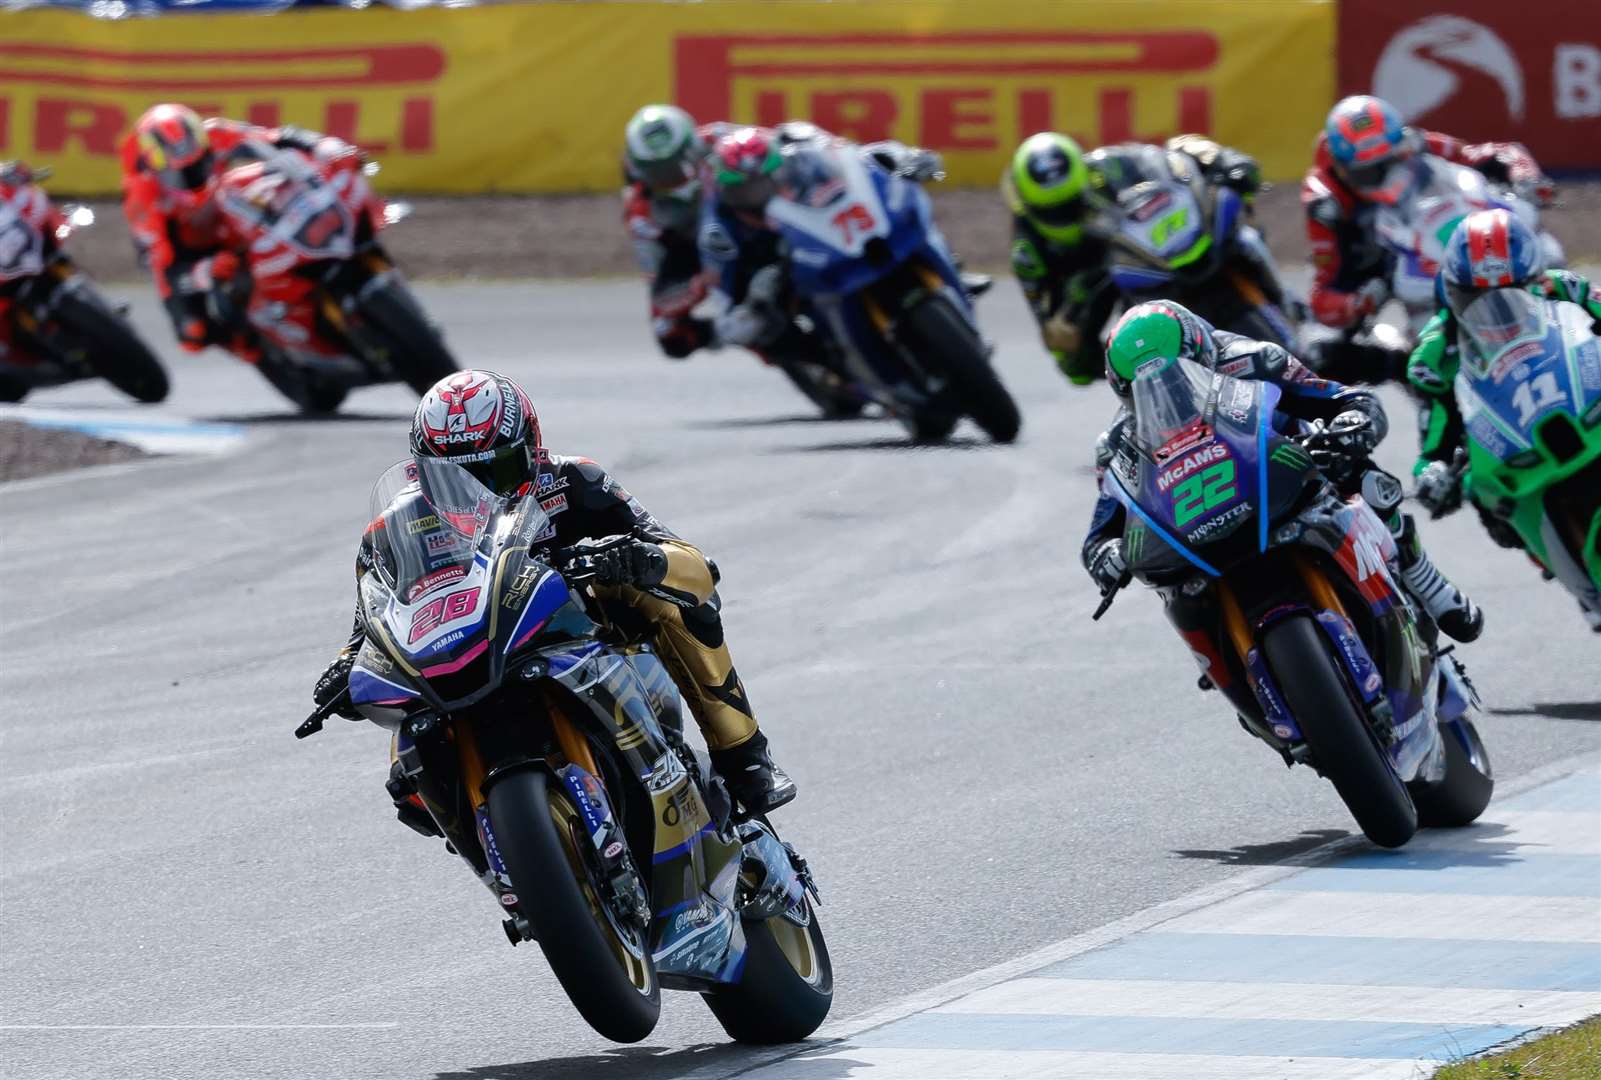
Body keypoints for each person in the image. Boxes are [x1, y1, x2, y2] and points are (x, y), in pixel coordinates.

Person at [312, 370, 797, 829]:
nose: (474, 491)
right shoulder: (392, 526)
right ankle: (512, 873)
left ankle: (745, 755)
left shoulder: (575, 481)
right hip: (463, 650)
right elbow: (372, 617)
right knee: (406, 771)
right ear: (422, 472)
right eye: (451, 478)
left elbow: (692, 565)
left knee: (671, 600)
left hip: (573, 627)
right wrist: (345, 665)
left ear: (530, 447)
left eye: (495, 470)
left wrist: (639, 559)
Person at [1082, 301, 1484, 643]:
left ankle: (1423, 576)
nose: (1168, 391)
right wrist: (1106, 554)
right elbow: (1103, 529)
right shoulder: (1118, 441)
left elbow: (1339, 398)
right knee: (1178, 593)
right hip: (1203, 522)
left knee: (1358, 472)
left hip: (1286, 470)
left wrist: (1352, 423)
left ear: (1202, 352)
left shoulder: (1254, 359)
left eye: (1177, 373)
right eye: (1148, 389)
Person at [622, 105, 953, 363]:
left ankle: (946, 269)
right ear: (640, 171)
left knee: (883, 200)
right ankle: (823, 360)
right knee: (692, 335)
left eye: (681, 163)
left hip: (770, 216)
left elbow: (798, 151)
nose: (677, 177)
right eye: (661, 173)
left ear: (694, 145)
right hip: (715, 257)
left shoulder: (725, 140)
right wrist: (688, 299)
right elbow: (656, 275)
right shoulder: (642, 214)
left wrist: (864, 162)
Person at [1407, 209, 1601, 626]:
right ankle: (1558, 561)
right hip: (1511, 440)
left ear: (1533, 280)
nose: (1496, 311)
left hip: (1583, 400)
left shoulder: (1566, 290)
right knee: (1485, 497)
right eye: (1477, 299)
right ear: (1454, 292)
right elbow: (1435, 427)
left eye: (1511, 291)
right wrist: (1432, 469)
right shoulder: (1436, 352)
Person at [1002, 131, 1266, 385]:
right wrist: (1071, 339)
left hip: (1158, 246)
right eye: (1055, 211)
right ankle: (1168, 391)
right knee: (1078, 361)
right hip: (1106, 283)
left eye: (1074, 203)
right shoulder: (1029, 252)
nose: (1068, 214)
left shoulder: (1107, 167)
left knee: (1239, 228)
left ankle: (1286, 303)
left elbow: (1168, 154)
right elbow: (1052, 329)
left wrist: (1222, 161)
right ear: (1029, 208)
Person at [1302, 94, 1553, 334]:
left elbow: (1486, 154)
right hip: (1374, 258)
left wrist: (1525, 178)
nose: (1388, 179)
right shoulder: (1326, 206)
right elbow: (1322, 295)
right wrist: (1358, 302)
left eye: (1392, 164)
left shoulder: (1412, 143)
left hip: (1431, 229)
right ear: (1342, 168)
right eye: (1370, 173)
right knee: (1323, 347)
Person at [119, 103, 355, 358]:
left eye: (200, 164)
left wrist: (320, 144)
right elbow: (162, 267)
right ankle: (252, 351)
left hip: (229, 217)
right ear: (156, 165)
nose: (194, 175)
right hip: (190, 254)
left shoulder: (216, 133)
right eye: (182, 174)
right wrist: (203, 271)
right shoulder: (142, 196)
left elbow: (275, 137)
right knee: (193, 336)